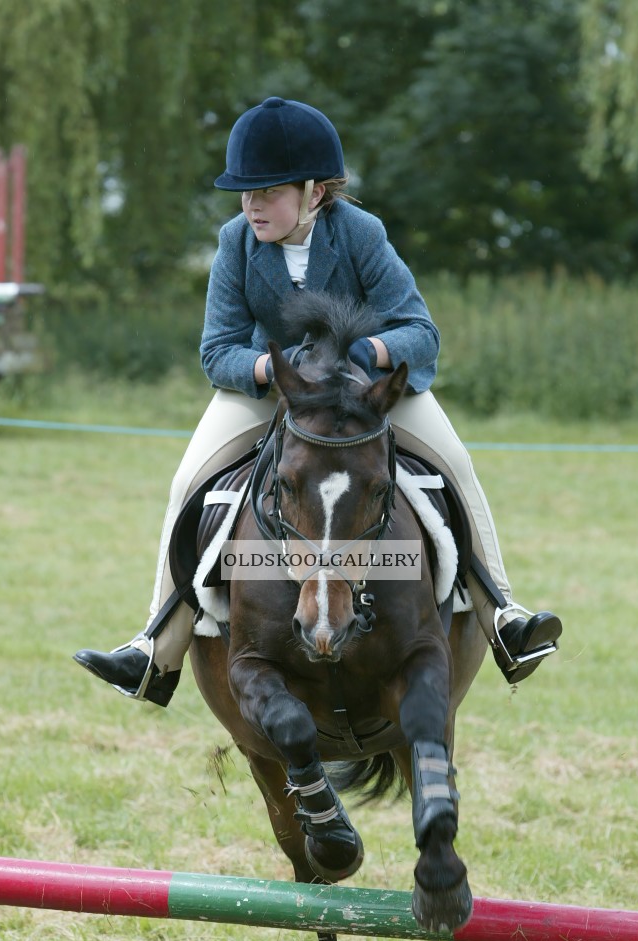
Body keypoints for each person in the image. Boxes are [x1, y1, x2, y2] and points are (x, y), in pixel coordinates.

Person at [74, 96, 561, 707]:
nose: (252, 206)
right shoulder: (235, 243)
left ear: (315, 193)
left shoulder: (360, 234)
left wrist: (362, 363)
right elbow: (216, 349)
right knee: (186, 483)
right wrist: (274, 370)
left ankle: (503, 620)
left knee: (456, 464)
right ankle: (156, 649)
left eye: (269, 192)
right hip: (273, 389)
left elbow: (420, 332)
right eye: (245, 194)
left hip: (362, 390)